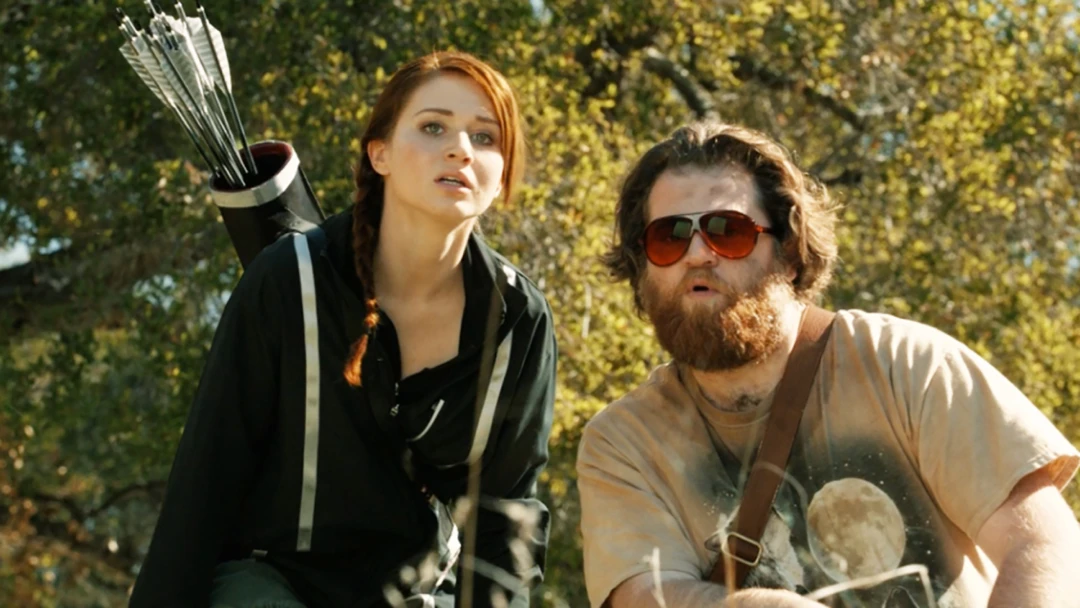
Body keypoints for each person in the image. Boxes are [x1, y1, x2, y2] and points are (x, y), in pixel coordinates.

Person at [576, 121, 1080, 607]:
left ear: (790, 253)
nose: (698, 254)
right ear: (641, 266)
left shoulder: (904, 364)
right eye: (669, 237)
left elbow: (1043, 546)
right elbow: (643, 596)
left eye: (728, 231)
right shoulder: (623, 442)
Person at [130, 51, 557, 607]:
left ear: (502, 177)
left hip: (415, 594)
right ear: (380, 154)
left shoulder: (518, 318)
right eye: (433, 127)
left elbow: (505, 517)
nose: (461, 149)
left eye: (485, 137)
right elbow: (206, 479)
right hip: (271, 583)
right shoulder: (288, 278)